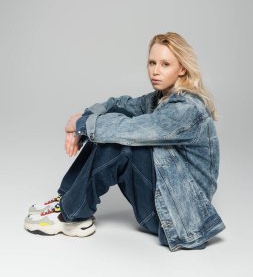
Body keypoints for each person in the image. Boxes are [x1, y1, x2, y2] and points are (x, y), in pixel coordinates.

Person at [24, 32, 226, 251]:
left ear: (182, 68)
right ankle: (66, 199)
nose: (155, 71)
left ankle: (71, 215)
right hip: (164, 203)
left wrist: (81, 125)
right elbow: (121, 104)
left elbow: (128, 130)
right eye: (152, 62)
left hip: (181, 220)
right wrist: (84, 116)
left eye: (165, 64)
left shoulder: (186, 109)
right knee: (115, 117)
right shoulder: (161, 98)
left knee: (119, 143)